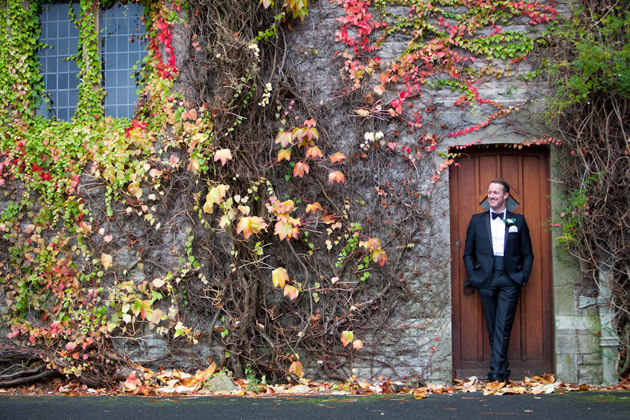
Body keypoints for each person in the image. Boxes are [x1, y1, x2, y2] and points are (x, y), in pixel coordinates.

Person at [463, 178, 533, 383]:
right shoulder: (477, 220)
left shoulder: (517, 221)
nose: (491, 196)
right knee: (493, 326)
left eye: (496, 193)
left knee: (503, 326)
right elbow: (468, 254)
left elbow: (528, 253)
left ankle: (495, 373)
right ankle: (502, 370)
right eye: (489, 192)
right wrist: (473, 277)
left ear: (505, 196)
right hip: (485, 279)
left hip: (510, 279)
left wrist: (523, 277)